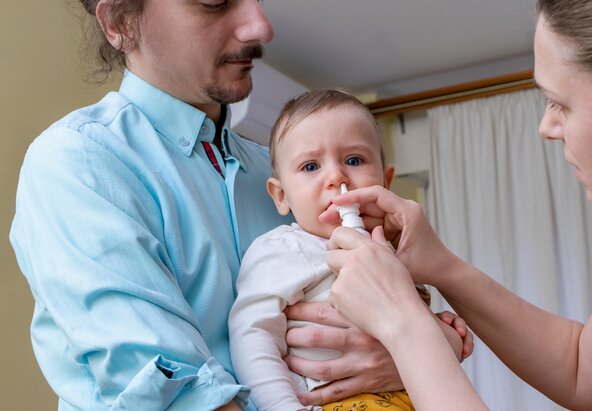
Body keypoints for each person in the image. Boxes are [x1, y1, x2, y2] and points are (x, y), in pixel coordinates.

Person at [296, 0, 592, 410]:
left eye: (561, 104)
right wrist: (440, 265)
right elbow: (582, 370)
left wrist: (404, 326)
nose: (547, 126)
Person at [9, 1, 405, 409]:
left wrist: (405, 354)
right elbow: (177, 392)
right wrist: (413, 354)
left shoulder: (286, 178)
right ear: (120, 22)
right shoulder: (81, 162)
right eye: (215, 2)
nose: (261, 28)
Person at [227, 89, 470, 411]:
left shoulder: (398, 248)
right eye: (311, 166)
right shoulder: (283, 250)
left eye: (354, 160)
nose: (336, 177)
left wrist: (439, 329)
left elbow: (406, 331)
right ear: (281, 196)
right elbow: (253, 337)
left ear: (385, 181)